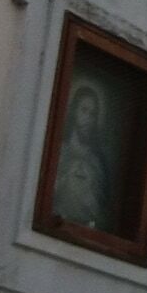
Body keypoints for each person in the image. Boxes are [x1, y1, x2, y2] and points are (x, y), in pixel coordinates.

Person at [52, 80, 116, 231]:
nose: (88, 119)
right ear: (74, 111)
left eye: (93, 114)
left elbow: (101, 208)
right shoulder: (59, 152)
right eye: (84, 110)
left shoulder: (97, 162)